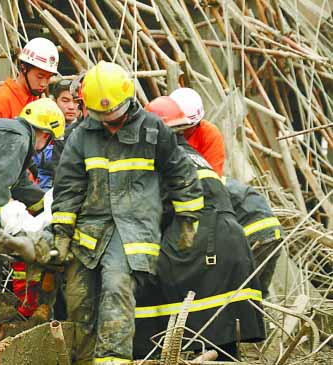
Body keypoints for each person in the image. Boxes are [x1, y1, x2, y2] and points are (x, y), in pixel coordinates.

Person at [51, 61, 203, 364]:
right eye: (102, 115)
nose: (110, 121)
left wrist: (187, 220)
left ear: (128, 100)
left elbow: (181, 173)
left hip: (133, 233)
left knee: (115, 294)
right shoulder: (82, 136)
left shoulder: (152, 128)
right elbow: (68, 186)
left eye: (115, 114)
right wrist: (62, 232)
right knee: (79, 304)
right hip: (90, 235)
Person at [139, 96, 265, 360]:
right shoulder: (194, 155)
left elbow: (157, 212)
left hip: (201, 246)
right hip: (230, 247)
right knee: (222, 335)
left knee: (146, 297)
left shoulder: (164, 160)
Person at [0, 98, 65, 318]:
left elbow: (21, 185)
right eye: (49, 141)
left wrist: (50, 207)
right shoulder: (19, 140)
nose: (46, 147)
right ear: (44, 134)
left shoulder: (12, 134)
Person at [225, 177, 284, 298]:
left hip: (257, 235)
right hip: (275, 233)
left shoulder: (213, 188)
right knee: (259, 290)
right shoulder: (229, 183)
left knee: (242, 289)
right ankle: (261, 315)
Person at [0, 37, 59, 119]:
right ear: (24, 68)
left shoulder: (37, 99)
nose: (44, 84)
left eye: (48, 77)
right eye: (39, 77)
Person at [33, 79, 80, 190]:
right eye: (65, 100)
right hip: (39, 189)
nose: (71, 107)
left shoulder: (82, 132)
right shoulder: (41, 125)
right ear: (54, 102)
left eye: (76, 101)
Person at [170, 87, 226, 176]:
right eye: (176, 128)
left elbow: (212, 178)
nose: (181, 133)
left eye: (184, 128)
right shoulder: (161, 131)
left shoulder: (209, 135)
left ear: (196, 124)